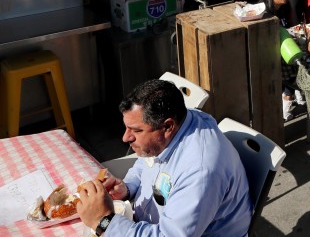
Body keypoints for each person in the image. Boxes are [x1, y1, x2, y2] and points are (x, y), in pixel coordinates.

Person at [77, 79, 251, 236]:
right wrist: (127, 187)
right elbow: (146, 163)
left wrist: (103, 221)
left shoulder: (200, 171)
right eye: (127, 128)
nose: (125, 138)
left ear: (168, 126)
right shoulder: (177, 125)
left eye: (136, 130)